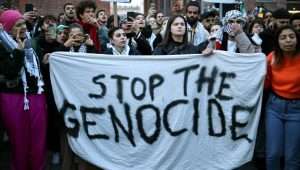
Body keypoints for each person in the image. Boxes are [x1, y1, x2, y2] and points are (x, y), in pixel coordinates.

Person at [0, 10, 47, 170]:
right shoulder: (2, 45)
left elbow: (37, 65)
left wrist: (45, 60)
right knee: (19, 138)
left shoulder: (30, 42)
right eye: (17, 25)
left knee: (38, 137)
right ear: (7, 27)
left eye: (23, 24)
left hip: (36, 95)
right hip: (13, 97)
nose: (23, 27)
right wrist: (18, 52)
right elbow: (9, 71)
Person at [265, 25, 300, 170]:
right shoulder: (271, 58)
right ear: (278, 41)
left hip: (297, 110)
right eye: (283, 37)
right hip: (274, 107)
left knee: (292, 156)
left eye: (292, 37)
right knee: (273, 153)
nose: (288, 41)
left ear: (297, 39)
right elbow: (265, 84)